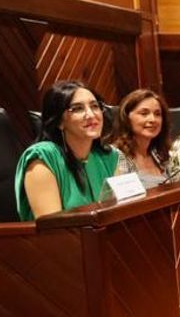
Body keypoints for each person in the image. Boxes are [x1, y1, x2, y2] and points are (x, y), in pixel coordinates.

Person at [15, 80, 120, 221]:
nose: (91, 115)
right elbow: (53, 231)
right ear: (59, 122)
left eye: (95, 106)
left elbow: (126, 208)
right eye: (77, 109)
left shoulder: (109, 156)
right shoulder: (42, 158)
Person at [106, 88, 170, 188]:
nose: (153, 119)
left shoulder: (159, 154)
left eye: (157, 114)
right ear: (126, 118)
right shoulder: (116, 157)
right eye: (144, 113)